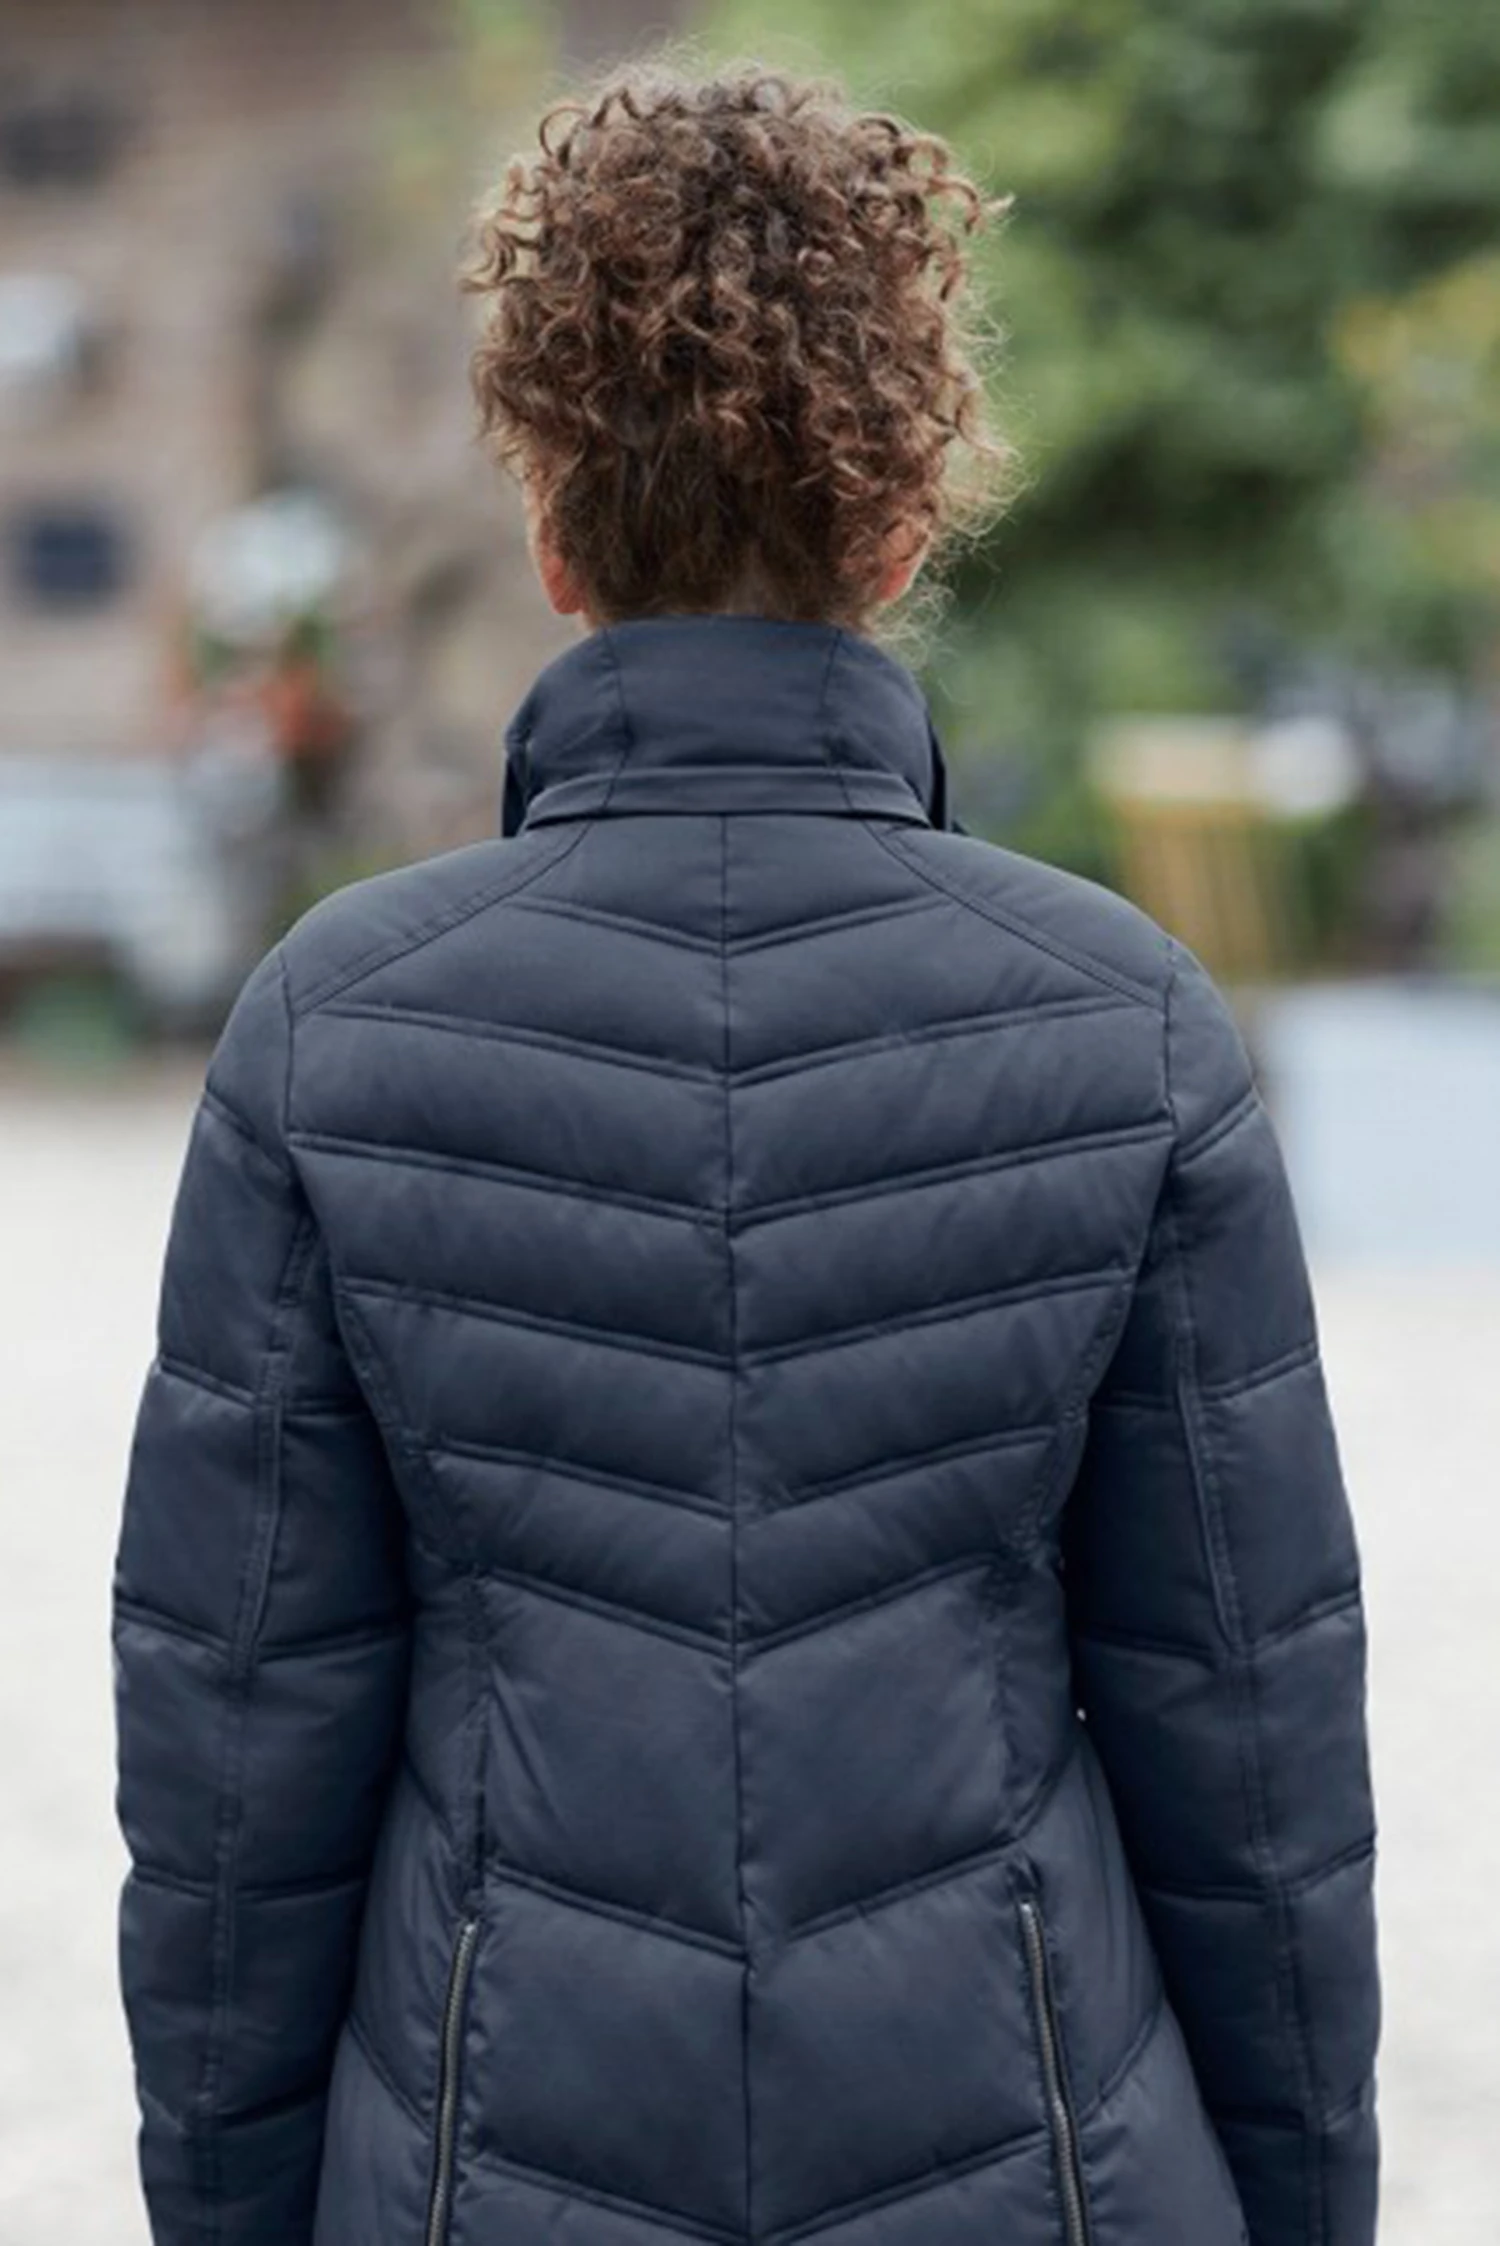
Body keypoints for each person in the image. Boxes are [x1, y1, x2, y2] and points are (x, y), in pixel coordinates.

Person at [111, 59, 1380, 2246]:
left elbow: (234, 1768)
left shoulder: (333, 1030)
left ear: (549, 528)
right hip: (1042, 2170)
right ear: (898, 527)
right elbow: (1253, 1750)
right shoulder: (1128, 1022)